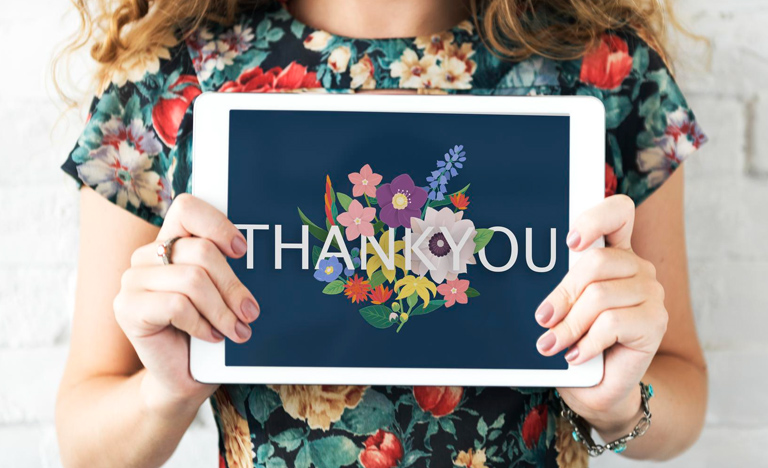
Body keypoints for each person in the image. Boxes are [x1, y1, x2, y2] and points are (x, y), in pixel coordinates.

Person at [55, 0, 709, 466]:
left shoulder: (609, 68)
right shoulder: (166, 77)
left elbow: (683, 396)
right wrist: (166, 389)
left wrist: (621, 403)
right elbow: (85, 442)